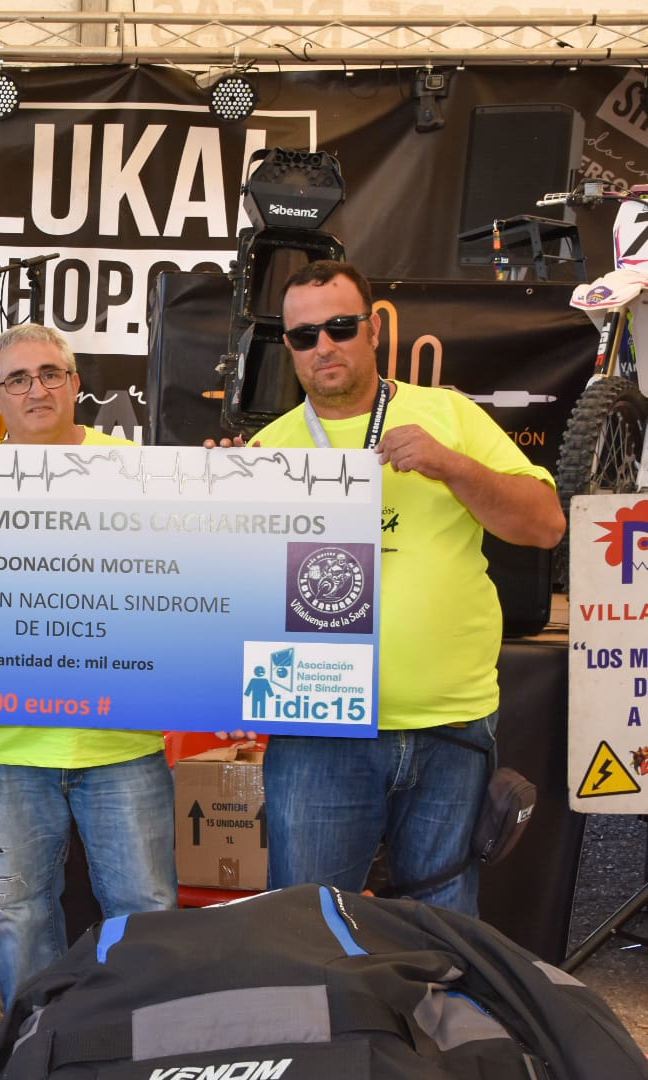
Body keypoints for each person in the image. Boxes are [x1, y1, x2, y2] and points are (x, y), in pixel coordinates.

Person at [246, 259, 565, 914]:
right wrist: (214, 503)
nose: (323, 346)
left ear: (373, 331)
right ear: (289, 348)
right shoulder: (267, 450)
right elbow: (233, 598)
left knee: (441, 926)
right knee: (311, 926)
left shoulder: (447, 415)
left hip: (450, 721)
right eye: (304, 336)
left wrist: (451, 465)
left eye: (340, 327)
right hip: (317, 731)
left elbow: (544, 526)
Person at [0, 323, 177, 1007]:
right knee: (20, 917)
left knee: (145, 913)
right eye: (18, 379)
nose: (37, 389)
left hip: (122, 743)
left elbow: (197, 576)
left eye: (51, 373)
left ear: (76, 384)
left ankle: (139, 1050)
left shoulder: (140, 470)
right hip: (7, 750)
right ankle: (31, 1046)